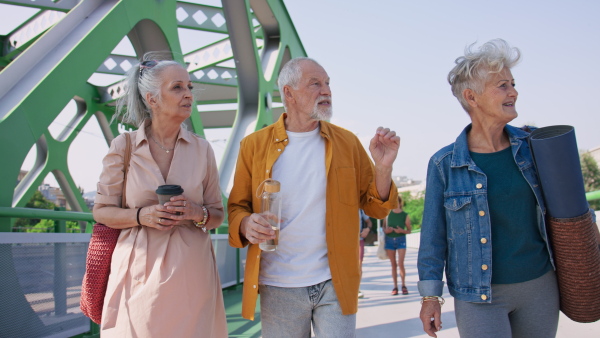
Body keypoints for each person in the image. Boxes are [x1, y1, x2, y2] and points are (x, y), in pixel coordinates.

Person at [227, 57, 400, 337]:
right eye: (315, 83)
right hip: (278, 284)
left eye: (328, 83)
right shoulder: (254, 145)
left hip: (336, 281)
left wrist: (383, 168)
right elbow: (236, 208)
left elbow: (376, 207)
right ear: (289, 93)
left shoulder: (348, 142)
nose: (326, 91)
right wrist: (246, 224)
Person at [417, 39, 559, 338]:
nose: (514, 92)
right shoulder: (444, 164)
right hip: (478, 297)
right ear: (472, 97)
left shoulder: (534, 147)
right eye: (502, 86)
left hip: (540, 289)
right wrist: (430, 296)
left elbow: (571, 209)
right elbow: (433, 238)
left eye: (513, 83)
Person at [93, 55, 228, 337]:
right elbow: (102, 211)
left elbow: (217, 214)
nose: (188, 94)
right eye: (177, 87)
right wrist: (142, 215)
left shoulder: (203, 150)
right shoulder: (124, 145)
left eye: (189, 87)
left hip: (193, 273)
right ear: (152, 99)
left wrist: (196, 212)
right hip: (137, 272)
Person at [383, 195, 411, 295]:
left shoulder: (405, 215)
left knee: (400, 263)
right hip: (389, 240)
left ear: (400, 203)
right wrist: (387, 230)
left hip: (401, 240)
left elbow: (409, 230)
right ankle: (395, 287)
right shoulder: (387, 214)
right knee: (393, 264)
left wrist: (401, 230)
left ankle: (403, 285)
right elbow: (384, 229)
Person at [358, 209, 373, 298]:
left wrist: (367, 230)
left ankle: (357, 289)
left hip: (359, 240)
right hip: (346, 242)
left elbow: (369, 222)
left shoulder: (360, 209)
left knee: (359, 265)